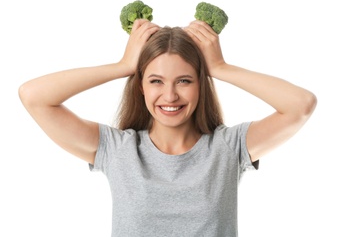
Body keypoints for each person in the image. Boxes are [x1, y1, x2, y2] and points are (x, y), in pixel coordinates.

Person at [19, 19, 317, 236]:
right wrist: (122, 66)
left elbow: (301, 104)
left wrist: (221, 68)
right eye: (156, 81)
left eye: (184, 81)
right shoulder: (117, 149)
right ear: (141, 88)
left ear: (201, 86)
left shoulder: (229, 147)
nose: (170, 95)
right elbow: (33, 96)